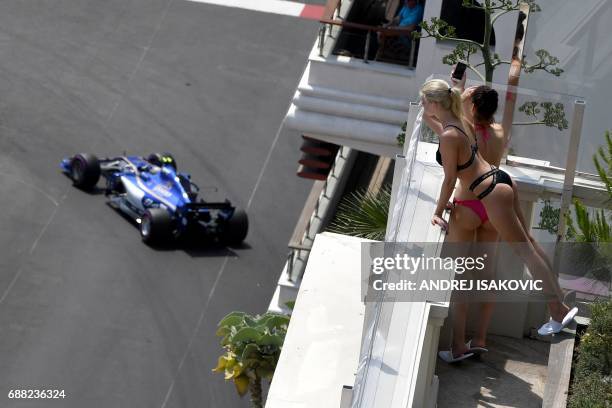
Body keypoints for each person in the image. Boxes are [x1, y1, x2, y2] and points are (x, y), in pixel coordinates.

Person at [419, 78, 578, 362]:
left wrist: (437, 210)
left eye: (424, 100)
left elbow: (449, 179)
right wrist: (456, 92)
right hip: (498, 183)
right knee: (523, 250)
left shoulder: (456, 128)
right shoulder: (465, 125)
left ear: (433, 103)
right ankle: (556, 306)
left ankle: (557, 310)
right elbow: (441, 116)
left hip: (479, 197)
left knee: (465, 275)